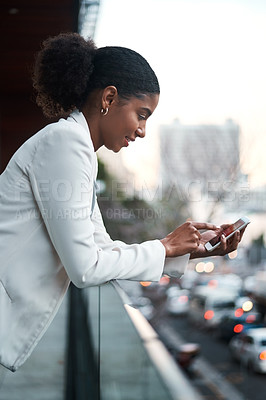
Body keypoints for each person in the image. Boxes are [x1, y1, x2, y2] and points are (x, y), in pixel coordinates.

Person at [0, 32, 243, 373]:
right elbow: (86, 268)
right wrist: (164, 245)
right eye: (141, 115)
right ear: (109, 98)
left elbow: (101, 248)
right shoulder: (65, 144)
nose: (142, 130)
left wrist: (186, 250)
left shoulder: (76, 149)